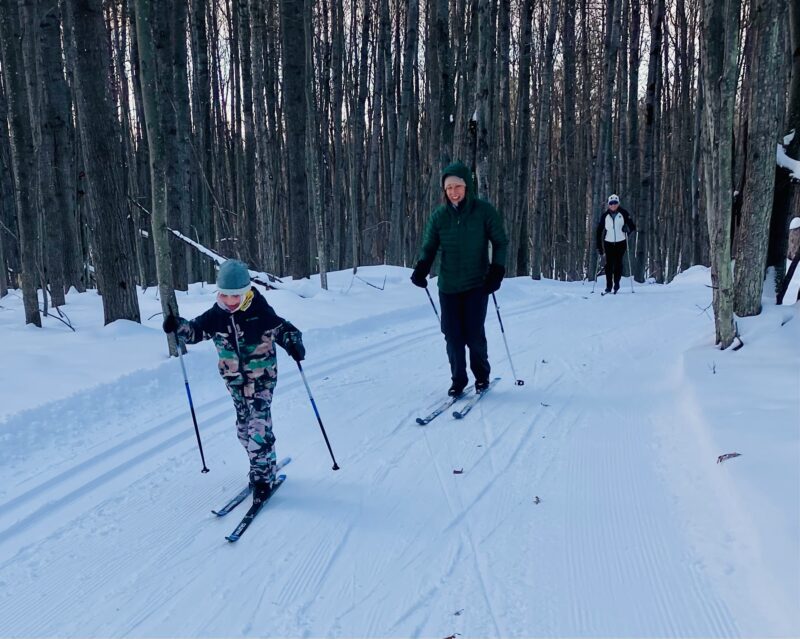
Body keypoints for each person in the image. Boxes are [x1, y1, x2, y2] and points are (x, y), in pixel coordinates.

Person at [162, 259, 305, 502]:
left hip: (262, 380)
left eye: (235, 296)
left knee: (257, 428)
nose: (230, 301)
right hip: (235, 383)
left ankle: (262, 479)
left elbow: (284, 329)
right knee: (243, 431)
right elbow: (196, 331)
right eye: (225, 295)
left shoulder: (260, 311)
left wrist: (293, 342)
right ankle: (263, 464)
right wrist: (178, 327)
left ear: (246, 291)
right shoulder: (216, 315)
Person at [410, 161, 509, 397]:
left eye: (458, 186)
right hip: (448, 285)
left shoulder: (484, 211)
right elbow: (429, 246)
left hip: (477, 283)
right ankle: (458, 379)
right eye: (449, 188)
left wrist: (497, 270)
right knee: (452, 336)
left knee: (474, 334)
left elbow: (500, 241)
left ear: (467, 186)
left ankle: (481, 376)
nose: (454, 192)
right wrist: (422, 268)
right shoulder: (439, 216)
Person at [595, 194, 636, 294]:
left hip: (621, 242)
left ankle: (616, 284)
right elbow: (599, 231)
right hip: (608, 242)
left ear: (618, 203)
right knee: (608, 265)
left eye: (615, 203)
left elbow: (632, 227)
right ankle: (608, 286)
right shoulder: (605, 216)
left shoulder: (624, 213)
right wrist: (599, 247)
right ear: (608, 205)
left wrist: (627, 230)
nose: (613, 205)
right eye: (611, 203)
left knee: (618, 264)